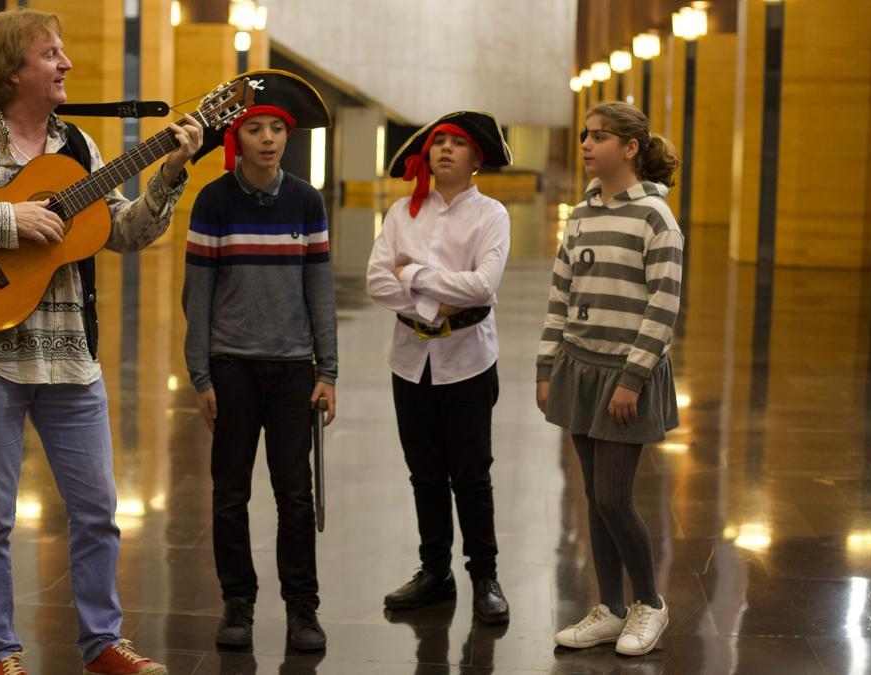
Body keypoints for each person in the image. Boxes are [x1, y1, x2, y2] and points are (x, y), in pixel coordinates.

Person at [0, 8, 203, 675]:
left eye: (63, 53)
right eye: (52, 53)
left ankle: (103, 644)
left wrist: (170, 175)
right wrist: (7, 218)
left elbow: (124, 232)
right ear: (11, 69)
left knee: (97, 510)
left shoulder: (80, 149)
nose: (67, 65)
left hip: (71, 358)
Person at [180, 70, 337, 652]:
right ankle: (237, 604)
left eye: (277, 129)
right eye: (256, 129)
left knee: (295, 494)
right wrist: (201, 376)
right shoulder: (214, 202)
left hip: (294, 367)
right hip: (232, 367)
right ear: (237, 139)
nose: (268, 139)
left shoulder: (305, 200)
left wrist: (329, 372)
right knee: (230, 493)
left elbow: (320, 291)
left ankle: (302, 609)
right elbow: (196, 297)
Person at [541, 101, 682, 656]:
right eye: (584, 135)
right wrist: (547, 366)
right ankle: (610, 608)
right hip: (580, 367)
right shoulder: (580, 215)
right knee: (593, 496)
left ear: (630, 148)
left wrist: (632, 379)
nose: (586, 144)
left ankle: (649, 603)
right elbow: (560, 295)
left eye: (599, 136)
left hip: (627, 375)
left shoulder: (655, 219)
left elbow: (663, 307)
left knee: (613, 497)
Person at [366, 111, 512, 625]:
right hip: (409, 362)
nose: (444, 149)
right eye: (437, 142)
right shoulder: (402, 212)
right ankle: (435, 572)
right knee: (424, 473)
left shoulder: (491, 215)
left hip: (469, 360)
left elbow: (483, 287)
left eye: (456, 143)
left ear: (477, 159)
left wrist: (413, 274)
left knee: (471, 475)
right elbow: (376, 283)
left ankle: (485, 575)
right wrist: (431, 300)